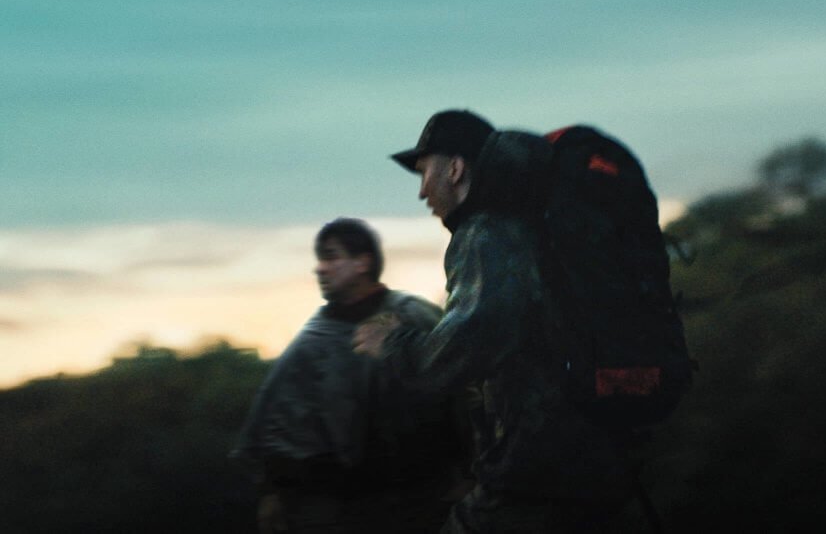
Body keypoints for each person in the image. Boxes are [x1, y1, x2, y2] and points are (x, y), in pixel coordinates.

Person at [354, 111, 650, 533]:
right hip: (605, 454)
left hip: (536, 473)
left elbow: (468, 345)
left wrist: (391, 343)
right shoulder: (542, 228)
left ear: (455, 169)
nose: (421, 191)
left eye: (424, 172)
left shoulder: (487, 233)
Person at [231, 217, 465, 533]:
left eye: (331, 257)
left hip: (419, 496)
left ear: (362, 263)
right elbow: (279, 420)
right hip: (334, 507)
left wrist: (466, 471)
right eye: (320, 260)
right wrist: (271, 492)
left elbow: (457, 386)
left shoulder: (411, 315)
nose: (320, 269)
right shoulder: (312, 341)